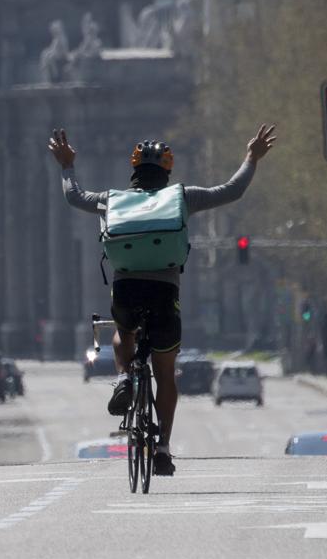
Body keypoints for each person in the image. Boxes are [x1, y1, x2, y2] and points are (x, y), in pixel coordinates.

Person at [48, 125, 276, 476]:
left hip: (126, 289)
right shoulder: (182, 198)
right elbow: (233, 190)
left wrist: (67, 165)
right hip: (165, 294)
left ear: (133, 171)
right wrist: (252, 157)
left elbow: (74, 197)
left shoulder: (111, 199)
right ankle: (163, 449)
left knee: (123, 333)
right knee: (166, 373)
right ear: (167, 172)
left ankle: (124, 377)